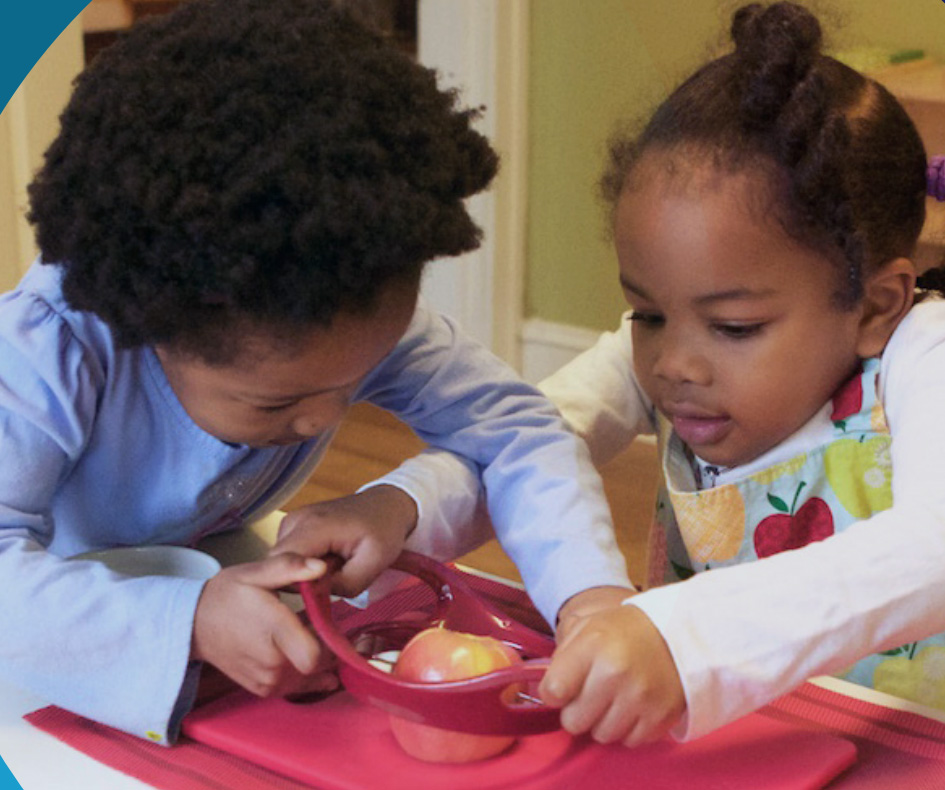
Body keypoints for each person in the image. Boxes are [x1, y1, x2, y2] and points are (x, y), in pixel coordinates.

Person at [0, 0, 634, 745]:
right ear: (152, 335)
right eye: (278, 404)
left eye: (354, 383)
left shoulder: (340, 304)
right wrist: (188, 622)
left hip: (204, 566)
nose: (327, 420)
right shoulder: (51, 347)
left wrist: (590, 598)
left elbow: (516, 428)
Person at [374, 0, 945, 748]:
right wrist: (396, 509)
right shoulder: (666, 357)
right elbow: (529, 440)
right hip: (739, 745)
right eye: (646, 314)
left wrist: (682, 637)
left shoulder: (921, 355)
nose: (671, 363)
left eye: (735, 327)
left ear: (874, 305)